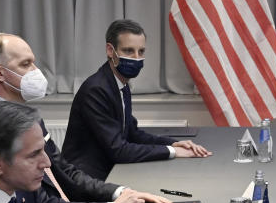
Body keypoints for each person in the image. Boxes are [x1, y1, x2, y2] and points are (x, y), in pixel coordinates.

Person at [0, 32, 171, 203]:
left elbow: (64, 171)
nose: (36, 72)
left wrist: (120, 192)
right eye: (26, 64)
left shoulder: (24, 114)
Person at [62, 19, 211, 180]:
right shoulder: (96, 90)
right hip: (85, 180)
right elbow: (119, 150)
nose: (136, 58)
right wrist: (173, 153)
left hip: (110, 170)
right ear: (110, 50)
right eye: (128, 51)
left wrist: (172, 144)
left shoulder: (121, 84)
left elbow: (132, 134)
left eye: (141, 52)